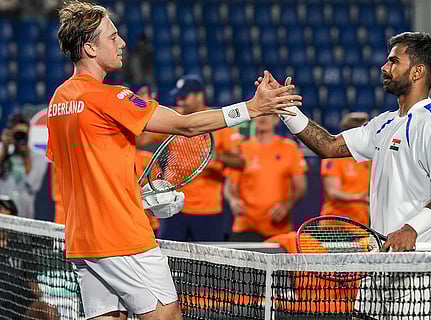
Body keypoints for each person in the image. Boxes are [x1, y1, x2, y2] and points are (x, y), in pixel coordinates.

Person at [47, 2, 301, 320]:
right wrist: (251, 108)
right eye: (113, 37)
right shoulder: (109, 97)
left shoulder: (59, 101)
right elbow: (186, 125)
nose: (122, 42)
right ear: (89, 48)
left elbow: (80, 171)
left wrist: (135, 197)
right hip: (122, 238)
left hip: (82, 242)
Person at [258, 31, 431, 318]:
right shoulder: (384, 123)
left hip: (416, 267)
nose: (384, 67)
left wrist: (411, 229)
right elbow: (328, 145)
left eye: (393, 61)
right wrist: (286, 109)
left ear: (417, 72)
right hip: (380, 259)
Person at [158, 74, 245, 242]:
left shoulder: (218, 121)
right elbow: (142, 138)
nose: (180, 102)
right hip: (173, 206)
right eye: (178, 97)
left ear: (199, 96)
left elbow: (240, 162)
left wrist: (217, 156)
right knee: (168, 261)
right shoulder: (174, 119)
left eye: (184, 97)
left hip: (207, 210)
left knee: (210, 265)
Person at [225, 114, 307, 241]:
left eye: (269, 115)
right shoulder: (242, 149)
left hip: (279, 228)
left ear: (276, 120)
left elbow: (301, 187)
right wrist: (233, 200)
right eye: (261, 114)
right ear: (253, 118)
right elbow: (229, 186)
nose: (264, 118)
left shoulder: (289, 148)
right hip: (246, 227)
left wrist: (287, 205)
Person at [320, 112, 370, 226]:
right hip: (336, 224)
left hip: (361, 225)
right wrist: (358, 197)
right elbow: (333, 192)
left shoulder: (368, 158)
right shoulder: (333, 158)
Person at [0, 112, 48, 219]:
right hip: (2, 215)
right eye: (17, 134)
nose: (20, 138)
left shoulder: (38, 158)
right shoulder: (3, 153)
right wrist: (4, 150)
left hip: (25, 217)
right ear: (10, 133)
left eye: (23, 135)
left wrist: (26, 156)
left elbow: (33, 185)